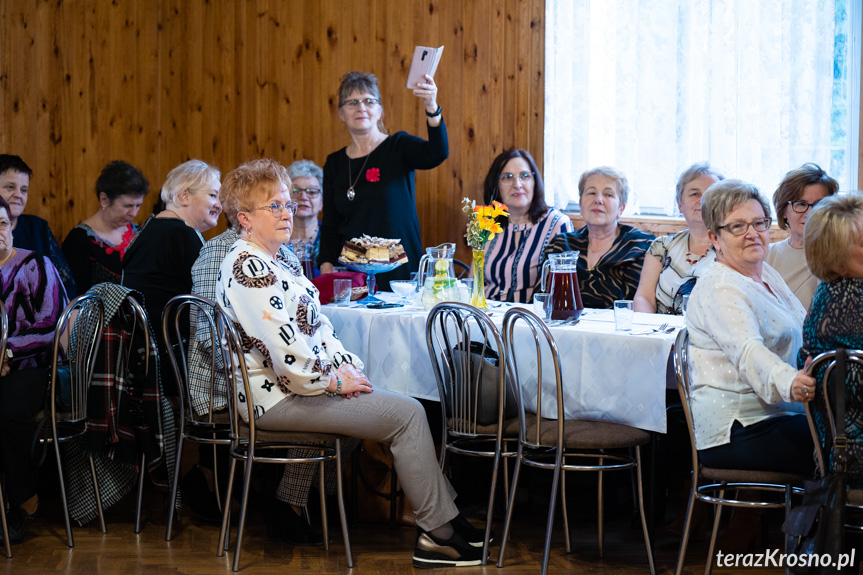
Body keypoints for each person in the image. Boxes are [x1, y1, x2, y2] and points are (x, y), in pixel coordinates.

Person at [218, 159, 485, 568]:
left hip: (296, 389)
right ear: (244, 219)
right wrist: (333, 382)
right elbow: (286, 354)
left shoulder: (279, 258)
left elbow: (319, 326)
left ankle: (446, 522)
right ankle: (439, 533)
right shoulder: (247, 265)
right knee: (408, 414)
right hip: (272, 400)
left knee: (403, 406)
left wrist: (347, 367)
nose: (287, 212)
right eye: (274, 207)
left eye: (288, 204)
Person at [686, 179, 815, 475]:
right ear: (714, 238)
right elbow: (748, 351)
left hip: (778, 415)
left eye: (759, 223)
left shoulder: (763, 273)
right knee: (839, 444)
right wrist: (792, 383)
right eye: (737, 226)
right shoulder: (720, 287)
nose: (752, 234)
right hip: (738, 428)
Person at [318, 71, 448, 290]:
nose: (361, 107)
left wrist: (432, 107)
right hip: (353, 270)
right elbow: (331, 222)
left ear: (379, 111)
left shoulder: (398, 146)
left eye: (369, 101)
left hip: (399, 268)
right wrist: (325, 263)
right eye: (352, 102)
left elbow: (437, 152)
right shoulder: (335, 163)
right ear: (341, 113)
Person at [122, 159, 222, 394]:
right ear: (184, 196)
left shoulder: (145, 231)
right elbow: (211, 303)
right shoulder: (184, 234)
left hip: (139, 359)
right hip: (173, 365)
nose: (219, 204)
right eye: (213, 195)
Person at [0, 196, 66, 541]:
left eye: (1, 223)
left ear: (11, 226)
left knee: (10, 411)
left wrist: (6, 353)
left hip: (35, 365)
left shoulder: (35, 265)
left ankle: (25, 501)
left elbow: (53, 325)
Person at [798, 192, 863, 486]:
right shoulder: (851, 301)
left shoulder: (829, 291)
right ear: (837, 261)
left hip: (836, 450)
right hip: (852, 455)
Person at [542, 166, 654, 309]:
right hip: (562, 328)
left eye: (608, 195)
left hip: (617, 329)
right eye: (591, 192)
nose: (598, 200)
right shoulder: (561, 245)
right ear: (581, 205)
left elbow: (637, 305)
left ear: (621, 208)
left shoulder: (640, 245)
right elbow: (544, 298)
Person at [482, 149, 572, 303]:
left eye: (525, 176)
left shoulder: (557, 224)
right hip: (486, 317)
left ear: (534, 181)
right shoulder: (487, 223)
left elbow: (563, 291)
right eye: (507, 177)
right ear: (495, 184)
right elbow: (473, 282)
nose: (517, 185)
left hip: (531, 319)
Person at [634, 162, 723, 314]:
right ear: (680, 204)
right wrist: (649, 330)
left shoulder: (733, 247)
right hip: (662, 333)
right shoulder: (661, 246)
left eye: (710, 194)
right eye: (694, 194)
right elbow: (644, 297)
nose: (702, 200)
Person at [62, 160, 149, 292]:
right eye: (127, 206)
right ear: (104, 200)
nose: (134, 213)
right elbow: (74, 294)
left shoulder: (141, 233)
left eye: (138, 206)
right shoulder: (79, 239)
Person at [0, 154, 76, 297]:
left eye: (24, 190)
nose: (18, 195)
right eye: (10, 187)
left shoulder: (38, 227)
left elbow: (66, 285)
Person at [766, 163, 838, 310]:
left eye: (820, 204)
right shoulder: (765, 256)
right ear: (784, 211)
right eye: (800, 204)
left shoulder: (843, 257)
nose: (810, 213)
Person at [287, 159, 324, 278]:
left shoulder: (332, 239)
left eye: (312, 192)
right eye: (295, 191)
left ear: (322, 202)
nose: (303, 197)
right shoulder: (274, 238)